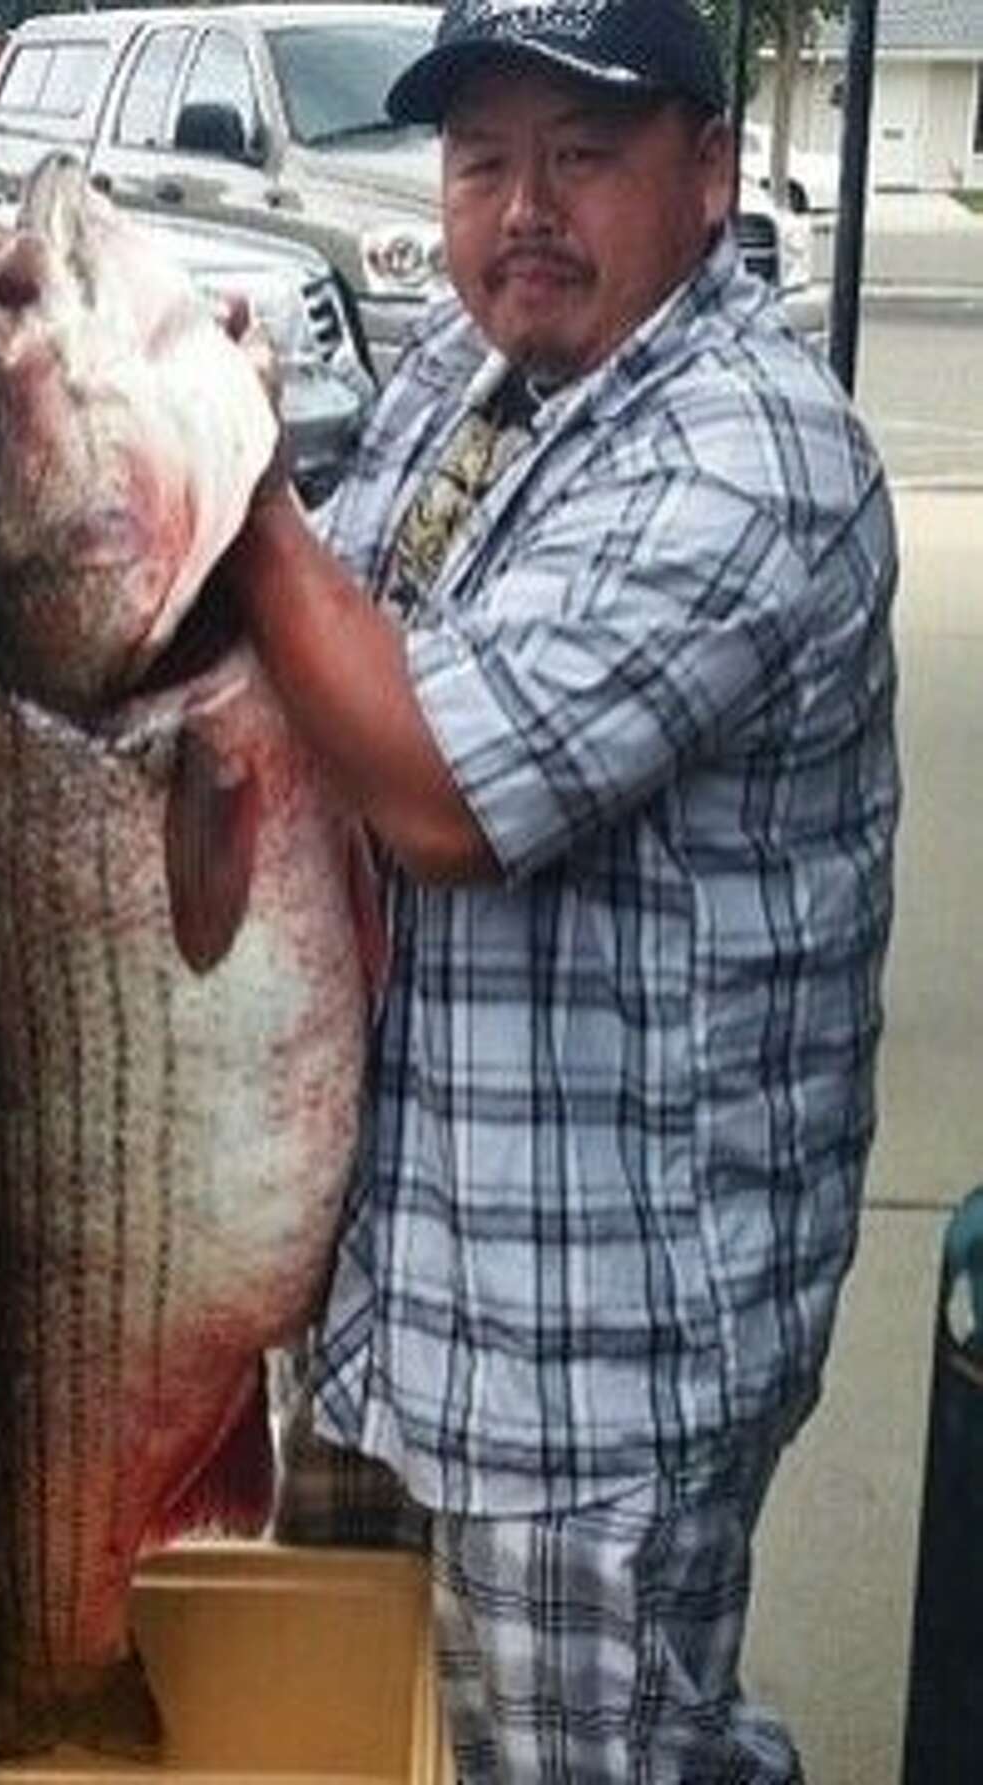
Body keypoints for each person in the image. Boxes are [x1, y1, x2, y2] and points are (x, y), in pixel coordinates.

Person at [223, 0, 901, 1777]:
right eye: (480, 160)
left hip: (591, 1363)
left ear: (707, 174)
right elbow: (331, 648)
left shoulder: (752, 454)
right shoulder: (474, 375)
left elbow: (437, 792)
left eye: (582, 155)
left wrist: (224, 504)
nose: (524, 207)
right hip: (395, 1301)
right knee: (362, 1738)